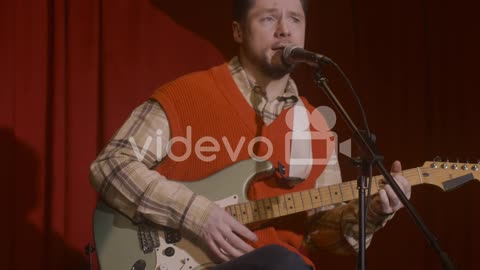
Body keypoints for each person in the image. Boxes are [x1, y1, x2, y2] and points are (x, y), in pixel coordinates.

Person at [89, 0, 412, 269]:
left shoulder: (317, 128)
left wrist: (373, 212)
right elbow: (112, 165)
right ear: (238, 31)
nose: (285, 29)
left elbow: (320, 234)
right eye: (269, 17)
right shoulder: (187, 94)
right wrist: (195, 214)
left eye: (295, 19)